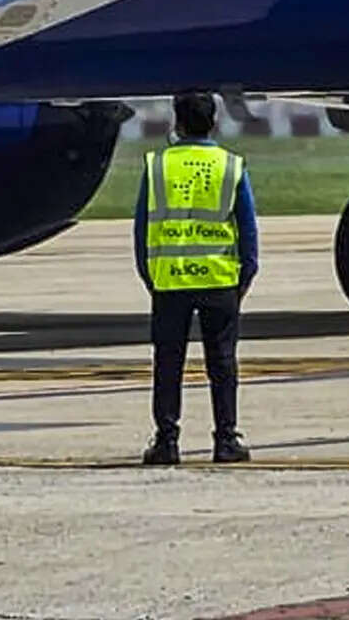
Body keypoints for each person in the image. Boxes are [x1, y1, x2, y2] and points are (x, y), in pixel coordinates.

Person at [134, 90, 258, 465]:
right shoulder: (230, 166)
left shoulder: (157, 165)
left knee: (168, 364)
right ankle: (226, 440)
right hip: (220, 280)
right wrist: (243, 279)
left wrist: (151, 276)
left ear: (178, 122)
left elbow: (142, 231)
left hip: (170, 282)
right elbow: (248, 231)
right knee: (222, 363)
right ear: (214, 122)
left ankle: (167, 441)